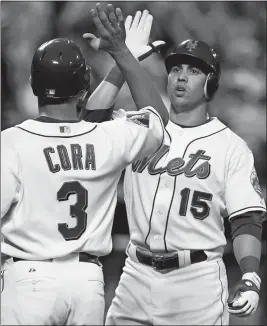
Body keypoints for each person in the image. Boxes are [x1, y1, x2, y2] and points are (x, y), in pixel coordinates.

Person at [81, 20, 267, 325]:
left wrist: (250, 275)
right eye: (176, 69)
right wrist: (121, 62)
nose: (181, 77)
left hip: (196, 282)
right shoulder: (140, 126)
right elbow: (88, 125)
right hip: (135, 274)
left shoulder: (230, 147)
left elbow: (246, 219)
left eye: (193, 71)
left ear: (211, 83)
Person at [0, 4, 169, 325]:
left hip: (28, 278)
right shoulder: (109, 136)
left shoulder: (11, 142)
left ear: (34, 85)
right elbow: (159, 122)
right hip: (86, 282)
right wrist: (124, 57)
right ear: (83, 88)